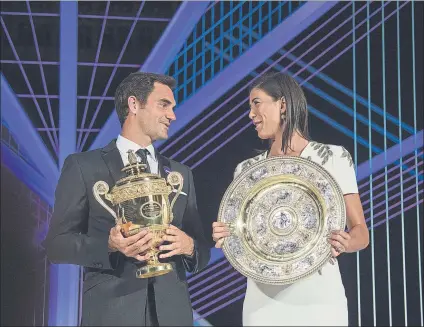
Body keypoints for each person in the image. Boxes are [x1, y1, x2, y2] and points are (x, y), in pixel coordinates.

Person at [45, 72, 210, 326]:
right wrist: (108, 246)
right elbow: (57, 244)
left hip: (172, 316)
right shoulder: (83, 166)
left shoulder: (180, 174)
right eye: (163, 105)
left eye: (173, 107)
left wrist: (189, 246)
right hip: (112, 312)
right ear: (134, 105)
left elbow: (201, 248)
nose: (172, 115)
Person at [212, 72, 369, 326]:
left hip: (319, 300)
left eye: (256, 103)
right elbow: (243, 238)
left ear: (282, 104)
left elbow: (362, 233)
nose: (251, 114)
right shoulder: (246, 171)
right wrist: (226, 233)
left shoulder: (333, 158)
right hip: (262, 303)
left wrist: (347, 242)